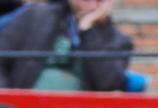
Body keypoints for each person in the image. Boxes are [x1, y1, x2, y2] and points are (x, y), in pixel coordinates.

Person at [0, 0, 132, 91]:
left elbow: (108, 84)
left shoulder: (117, 41)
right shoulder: (35, 16)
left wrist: (87, 28)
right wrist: (8, 104)